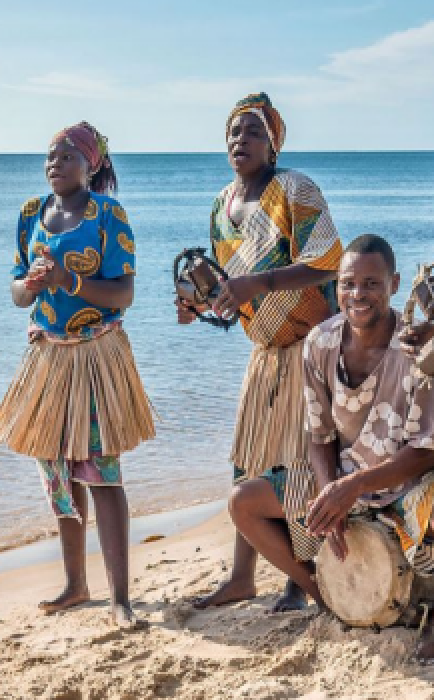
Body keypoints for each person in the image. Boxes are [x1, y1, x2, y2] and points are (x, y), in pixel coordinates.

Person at [179, 93, 344, 612]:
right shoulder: (221, 206)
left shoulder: (295, 189)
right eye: (233, 132)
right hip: (264, 355)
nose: (240, 141)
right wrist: (200, 306)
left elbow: (329, 263)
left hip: (309, 348)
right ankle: (243, 577)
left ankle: (301, 579)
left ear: (273, 144)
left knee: (295, 465)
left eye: (252, 132)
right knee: (249, 462)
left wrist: (259, 282)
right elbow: (233, 296)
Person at [0, 122, 153, 629]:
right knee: (58, 474)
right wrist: (33, 286)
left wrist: (69, 280)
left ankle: (120, 597)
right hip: (48, 359)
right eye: (50, 156)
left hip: (96, 355)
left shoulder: (108, 216)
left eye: (67, 156)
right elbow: (16, 291)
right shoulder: (29, 215)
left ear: (92, 164)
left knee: (103, 474)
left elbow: (123, 293)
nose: (55, 163)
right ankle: (76, 584)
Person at [303, 234, 434, 663]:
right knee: (246, 503)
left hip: (414, 478)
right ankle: (331, 597)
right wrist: (332, 496)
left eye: (371, 283)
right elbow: (318, 437)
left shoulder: (420, 347)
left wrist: (351, 486)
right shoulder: (319, 343)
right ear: (336, 288)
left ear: (394, 284)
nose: (357, 294)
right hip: (349, 476)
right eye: (348, 284)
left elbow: (424, 451)